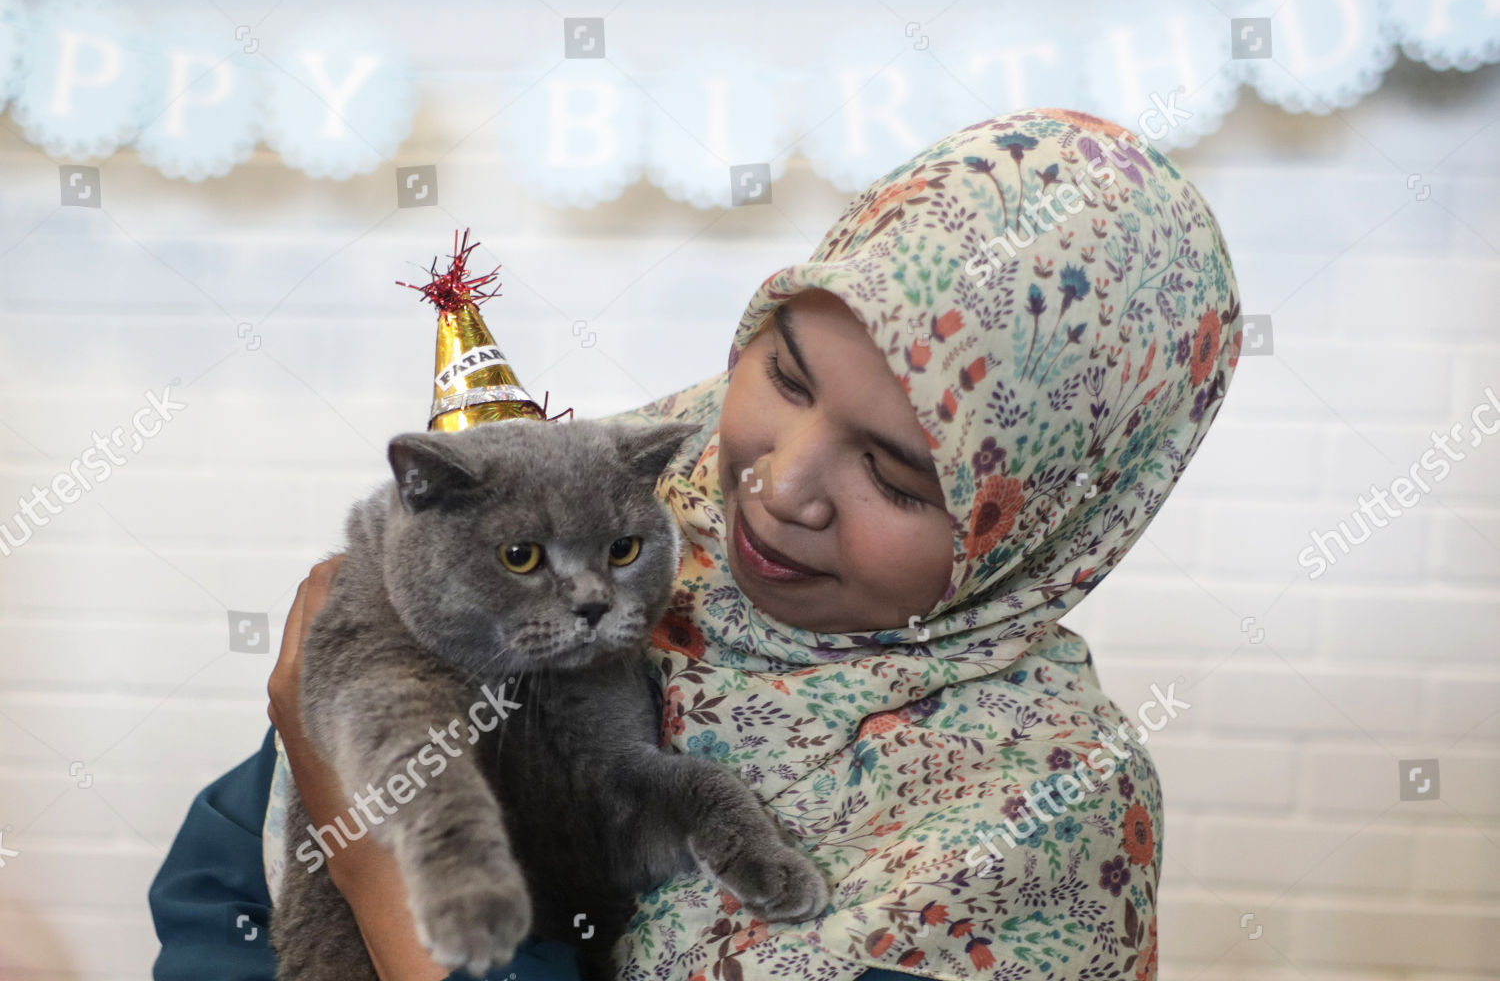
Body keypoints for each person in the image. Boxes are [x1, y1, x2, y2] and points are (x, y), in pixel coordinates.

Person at [150, 106, 1242, 980]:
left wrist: (372, 845)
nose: (780, 485)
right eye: (785, 375)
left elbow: (333, 797)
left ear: (1039, 525)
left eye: (896, 474)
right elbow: (225, 881)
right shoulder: (612, 504)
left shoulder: (1043, 811)